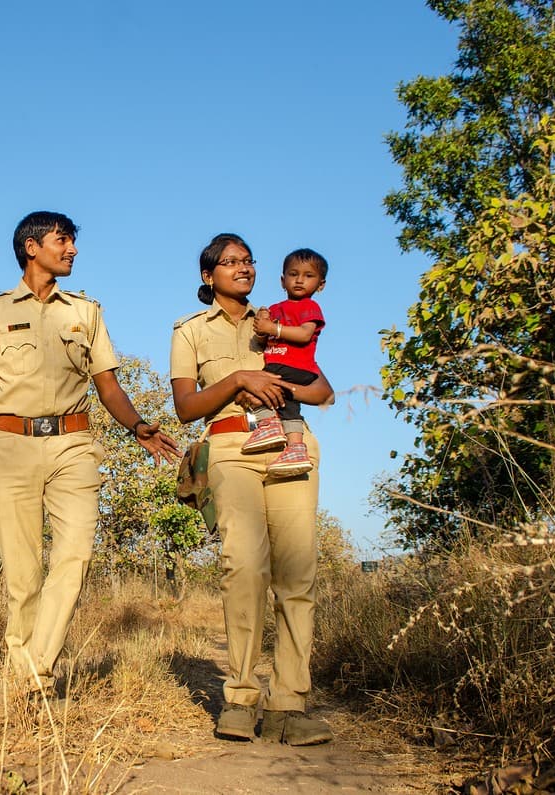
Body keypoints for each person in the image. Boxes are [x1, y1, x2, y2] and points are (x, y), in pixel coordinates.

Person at [0, 210, 180, 697]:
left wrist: (137, 427)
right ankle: (26, 675)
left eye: (72, 241)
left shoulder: (85, 312)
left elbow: (107, 383)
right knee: (22, 574)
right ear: (32, 247)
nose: (72, 250)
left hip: (74, 444)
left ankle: (33, 670)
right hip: (11, 447)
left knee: (75, 554)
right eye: (62, 240)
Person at [169, 233, 335, 746]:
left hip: (291, 444)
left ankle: (290, 703)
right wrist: (240, 378)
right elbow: (186, 407)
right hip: (230, 448)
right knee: (243, 565)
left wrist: (280, 387)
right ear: (208, 275)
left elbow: (323, 391)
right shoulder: (190, 331)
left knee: (297, 573)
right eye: (230, 262)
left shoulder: (283, 316)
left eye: (248, 261)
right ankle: (240, 696)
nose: (243, 268)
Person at [242, 248, 329, 478]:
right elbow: (264, 338)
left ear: (321, 284)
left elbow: (304, 334)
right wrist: (262, 326)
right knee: (289, 408)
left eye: (308, 276)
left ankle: (267, 425)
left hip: (293, 365)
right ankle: (296, 447)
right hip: (282, 364)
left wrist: (274, 328)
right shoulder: (275, 308)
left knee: (255, 388)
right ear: (283, 280)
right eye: (293, 274)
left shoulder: (309, 307)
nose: (300, 280)